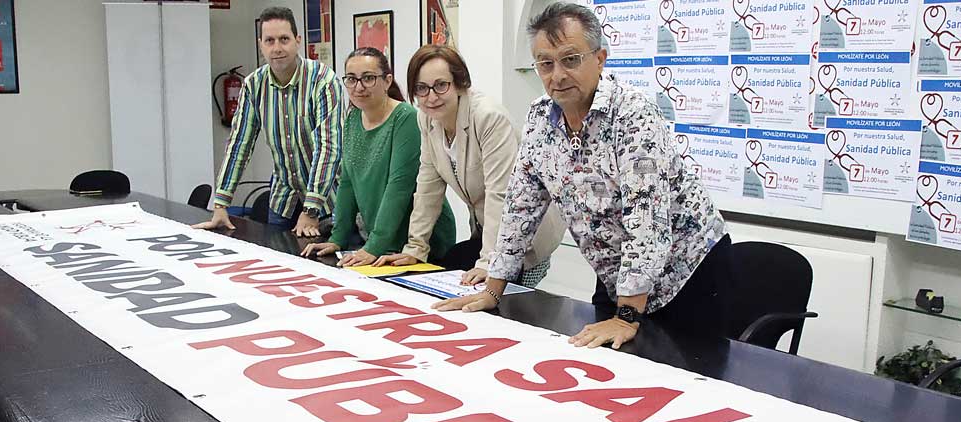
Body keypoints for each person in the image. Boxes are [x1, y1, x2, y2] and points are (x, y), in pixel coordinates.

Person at [434, 2, 730, 349]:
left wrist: (627, 317)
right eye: (545, 63)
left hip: (687, 272)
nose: (557, 75)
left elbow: (647, 221)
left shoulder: (633, 115)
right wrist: (492, 291)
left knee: (682, 382)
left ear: (600, 59)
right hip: (616, 275)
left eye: (570, 59)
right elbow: (519, 210)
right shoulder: (540, 119)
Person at [373, 45, 566, 287]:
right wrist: (416, 248)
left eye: (441, 85)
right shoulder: (427, 118)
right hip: (486, 233)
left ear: (460, 83)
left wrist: (488, 263)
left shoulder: (489, 118)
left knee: (502, 310)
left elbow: (500, 195)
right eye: (421, 89)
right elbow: (427, 187)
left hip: (526, 236)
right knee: (451, 267)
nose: (431, 97)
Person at [194, 7, 342, 238]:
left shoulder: (323, 80)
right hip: (283, 200)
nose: (277, 48)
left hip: (327, 202)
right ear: (260, 44)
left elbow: (329, 148)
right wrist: (221, 204)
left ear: (298, 40)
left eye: (284, 39)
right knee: (278, 261)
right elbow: (239, 144)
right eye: (270, 41)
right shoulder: (254, 84)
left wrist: (311, 208)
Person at [302, 48, 456, 267]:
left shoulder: (406, 119)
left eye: (368, 78)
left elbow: (399, 187)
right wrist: (337, 238)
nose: (359, 87)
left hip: (421, 244)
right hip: (382, 242)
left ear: (387, 81)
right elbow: (347, 183)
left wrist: (373, 247)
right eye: (351, 79)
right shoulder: (353, 117)